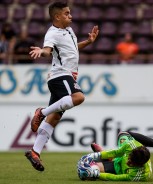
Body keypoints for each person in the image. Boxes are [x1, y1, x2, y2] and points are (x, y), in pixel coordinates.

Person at [24, 1, 99, 172]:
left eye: (70, 13)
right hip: (61, 74)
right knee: (79, 97)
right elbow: (47, 50)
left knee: (55, 118)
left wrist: (88, 41)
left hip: (67, 76)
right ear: (57, 16)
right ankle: (41, 112)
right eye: (66, 13)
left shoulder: (69, 31)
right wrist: (40, 51)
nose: (70, 16)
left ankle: (34, 151)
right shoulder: (52, 33)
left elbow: (73, 49)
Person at [78, 131, 153, 181]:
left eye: (131, 162)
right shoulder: (131, 145)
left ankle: (109, 159)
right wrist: (94, 155)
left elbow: (115, 178)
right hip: (120, 156)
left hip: (118, 169)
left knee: (88, 174)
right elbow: (116, 152)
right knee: (123, 134)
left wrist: (96, 174)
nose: (128, 161)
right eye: (129, 157)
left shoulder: (139, 175)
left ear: (139, 165)